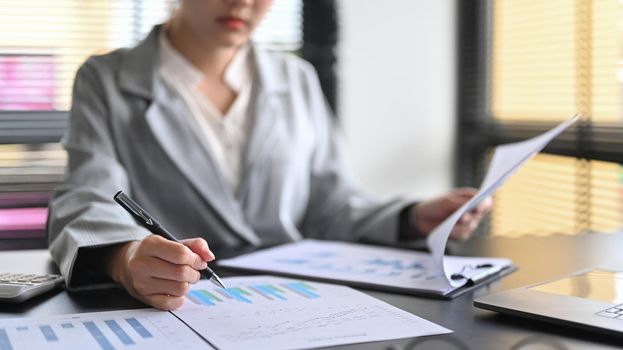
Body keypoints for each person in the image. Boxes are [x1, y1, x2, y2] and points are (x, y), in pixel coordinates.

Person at [47, 0, 491, 311]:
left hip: (295, 305)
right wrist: (124, 257)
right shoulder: (106, 79)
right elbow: (87, 199)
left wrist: (411, 217)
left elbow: (330, 205)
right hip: (175, 306)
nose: (242, 2)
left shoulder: (296, 77)